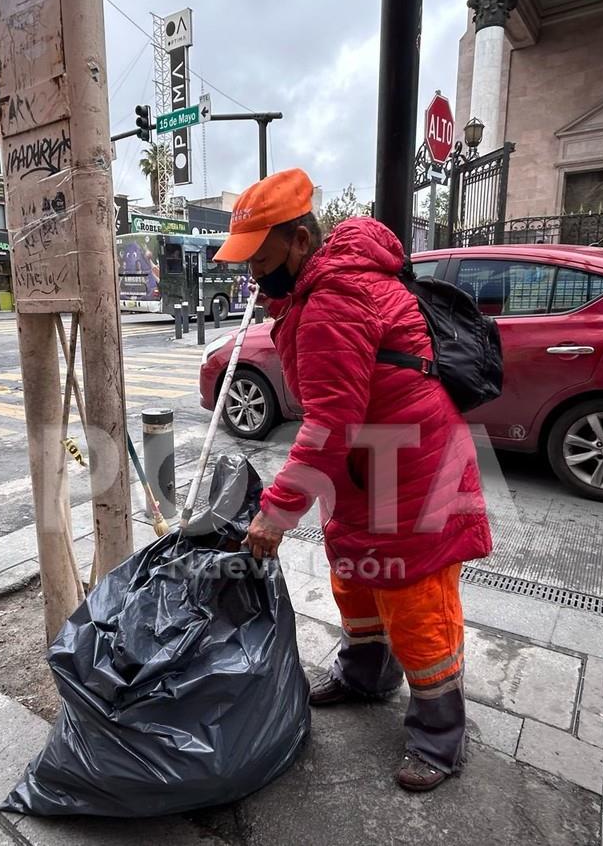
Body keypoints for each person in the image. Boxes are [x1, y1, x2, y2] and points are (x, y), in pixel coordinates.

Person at [212, 168, 492, 792]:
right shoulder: (318, 293)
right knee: (358, 581)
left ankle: (440, 738)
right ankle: (366, 677)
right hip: (370, 476)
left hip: (413, 480)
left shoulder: (333, 300)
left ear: (301, 241)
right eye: (246, 258)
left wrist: (276, 512)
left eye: (260, 255)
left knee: (417, 606)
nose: (252, 271)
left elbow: (330, 423)